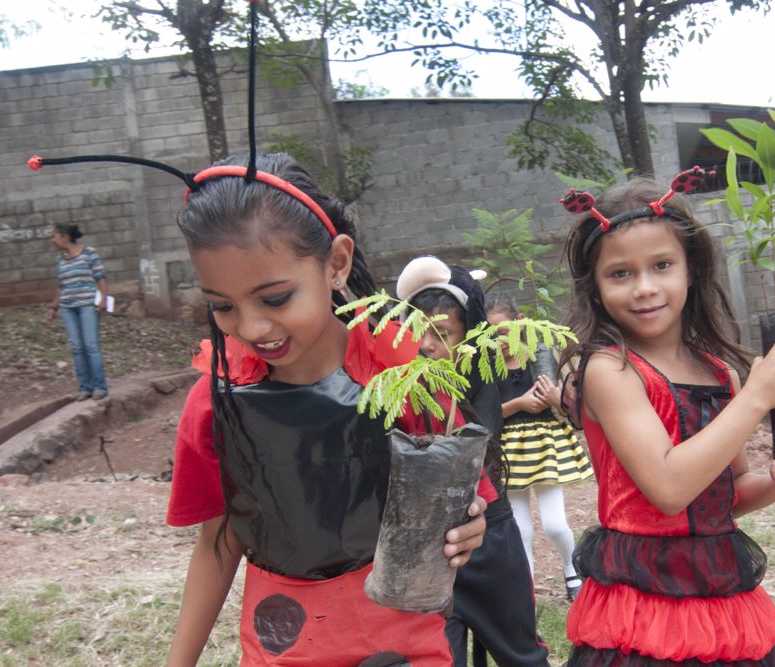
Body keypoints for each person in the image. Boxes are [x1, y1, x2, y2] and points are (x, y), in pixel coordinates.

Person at [164, 154, 488, 666]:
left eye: (274, 298)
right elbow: (218, 541)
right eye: (222, 306)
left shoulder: (404, 377)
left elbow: (464, 499)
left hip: (400, 638)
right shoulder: (217, 400)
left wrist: (471, 524)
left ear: (336, 264)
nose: (250, 328)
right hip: (284, 640)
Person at [556, 175, 775, 665]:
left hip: (719, 593)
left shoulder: (718, 373)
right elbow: (669, 489)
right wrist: (755, 398)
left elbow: (723, 499)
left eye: (662, 265)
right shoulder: (610, 369)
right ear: (597, 287)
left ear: (691, 270)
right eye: (620, 273)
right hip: (642, 602)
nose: (645, 288)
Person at [396, 256, 550, 667]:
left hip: (490, 537)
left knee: (522, 655)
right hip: (425, 549)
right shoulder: (395, 392)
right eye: (418, 332)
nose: (427, 345)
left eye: (442, 333)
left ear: (470, 336)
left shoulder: (485, 379)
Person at [484, 292, 593, 601]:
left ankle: (572, 569)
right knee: (521, 529)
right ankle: (526, 584)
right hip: (509, 451)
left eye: (503, 331)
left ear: (519, 323)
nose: (499, 340)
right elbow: (487, 414)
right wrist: (519, 403)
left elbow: (562, 404)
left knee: (555, 524)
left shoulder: (539, 355)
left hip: (543, 447)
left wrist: (554, 398)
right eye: (492, 335)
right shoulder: (488, 366)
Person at [47, 223, 109, 401]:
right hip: (68, 307)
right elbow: (61, 286)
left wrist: (103, 299)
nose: (52, 240)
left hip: (87, 305)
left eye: (54, 236)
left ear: (65, 237)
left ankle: (99, 387)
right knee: (77, 348)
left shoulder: (89, 253)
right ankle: (85, 388)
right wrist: (53, 307)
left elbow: (100, 277)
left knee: (90, 346)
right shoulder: (61, 260)